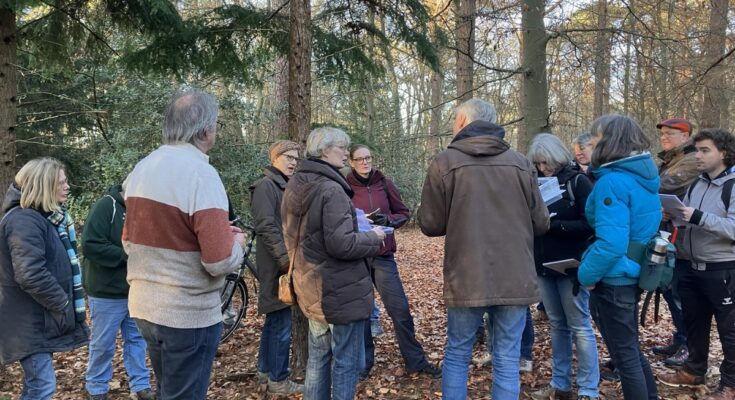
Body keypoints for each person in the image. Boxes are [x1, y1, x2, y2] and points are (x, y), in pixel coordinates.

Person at [417, 99, 549, 399]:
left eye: (454, 120)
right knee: (506, 357)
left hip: (467, 275)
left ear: (463, 121)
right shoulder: (520, 162)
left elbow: (430, 224)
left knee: (458, 353)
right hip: (514, 274)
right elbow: (541, 222)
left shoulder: (444, 162)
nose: (452, 126)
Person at [122, 89, 246, 400]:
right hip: (185, 313)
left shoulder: (142, 168)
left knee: (168, 392)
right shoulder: (201, 174)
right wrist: (238, 243)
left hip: (144, 306)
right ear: (206, 130)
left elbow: (129, 241)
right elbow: (218, 261)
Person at [282, 127, 386, 400]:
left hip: (310, 288)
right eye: (341, 147)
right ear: (325, 151)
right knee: (345, 363)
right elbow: (342, 244)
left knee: (318, 359)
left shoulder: (295, 184)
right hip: (339, 291)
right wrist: (373, 237)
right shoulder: (331, 189)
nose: (346, 153)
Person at [577, 114, 660, 400]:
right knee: (630, 350)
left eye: (595, 138)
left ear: (610, 142)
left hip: (615, 278)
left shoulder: (613, 182)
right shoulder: (642, 178)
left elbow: (611, 244)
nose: (591, 143)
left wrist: (586, 275)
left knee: (625, 356)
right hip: (632, 272)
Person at [346, 144, 441, 379]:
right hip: (356, 258)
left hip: (383, 256)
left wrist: (387, 221)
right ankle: (363, 364)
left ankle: (415, 361)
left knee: (400, 311)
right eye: (360, 159)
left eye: (368, 158)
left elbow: (403, 212)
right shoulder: (345, 186)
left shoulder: (384, 183)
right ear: (351, 162)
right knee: (362, 314)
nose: (365, 163)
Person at [0, 157, 89, 400]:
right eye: (61, 182)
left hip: (37, 319)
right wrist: (62, 303)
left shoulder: (40, 218)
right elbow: (30, 274)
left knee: (36, 386)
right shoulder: (24, 220)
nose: (67, 186)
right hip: (29, 321)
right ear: (43, 186)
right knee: (42, 387)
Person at [657, 129, 735, 400]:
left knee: (730, 330)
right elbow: (687, 218)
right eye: (697, 150)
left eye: (705, 151)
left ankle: (731, 385)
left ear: (723, 153)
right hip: (690, 265)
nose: (698, 156)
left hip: (723, 268)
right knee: (694, 323)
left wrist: (698, 216)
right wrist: (673, 214)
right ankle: (694, 370)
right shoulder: (697, 183)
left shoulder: (732, 185)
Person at [526, 134, 599, 400]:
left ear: (556, 157)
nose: (542, 169)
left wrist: (554, 225)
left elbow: (591, 224)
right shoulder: (535, 183)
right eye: (537, 164)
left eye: (545, 163)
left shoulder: (579, 182)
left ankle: (589, 390)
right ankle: (561, 385)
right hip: (543, 263)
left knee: (580, 326)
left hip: (572, 266)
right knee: (557, 325)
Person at [82, 184, 154, 400]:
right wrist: (130, 254)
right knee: (103, 343)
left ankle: (140, 385)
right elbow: (91, 245)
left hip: (136, 290)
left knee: (138, 340)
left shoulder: (143, 209)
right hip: (106, 292)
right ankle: (96, 387)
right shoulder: (106, 206)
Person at [250, 140, 304, 394]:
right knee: (281, 323)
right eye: (288, 157)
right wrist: (285, 261)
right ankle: (279, 380)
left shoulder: (282, 185)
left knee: (275, 320)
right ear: (275, 158)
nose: (293, 162)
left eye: (296, 158)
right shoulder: (266, 186)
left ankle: (265, 373)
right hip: (276, 265)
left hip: (282, 262)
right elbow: (267, 227)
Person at [652, 117, 698, 367]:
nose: (665, 137)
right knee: (670, 290)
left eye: (671, 133)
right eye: (663, 134)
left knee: (679, 292)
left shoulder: (690, 160)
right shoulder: (669, 160)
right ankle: (681, 338)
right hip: (668, 234)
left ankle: (690, 346)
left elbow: (663, 185)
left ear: (686, 135)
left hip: (683, 236)